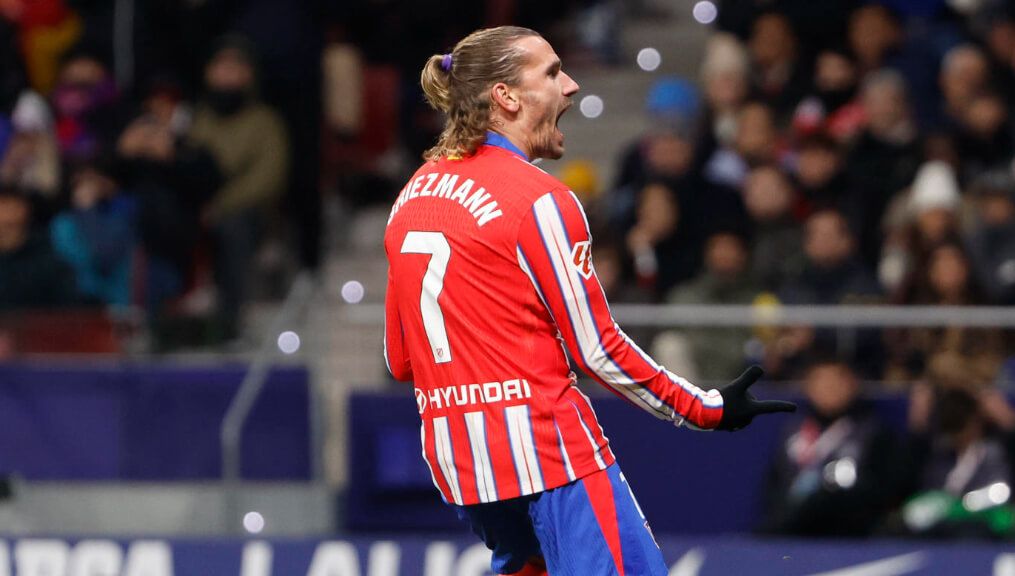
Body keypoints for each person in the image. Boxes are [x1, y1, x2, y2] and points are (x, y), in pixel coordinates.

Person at [383, 26, 796, 576]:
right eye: (552, 73)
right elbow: (596, 350)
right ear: (506, 96)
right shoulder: (540, 200)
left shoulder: (412, 196)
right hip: (550, 455)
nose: (572, 86)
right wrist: (705, 409)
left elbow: (400, 359)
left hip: (465, 468)